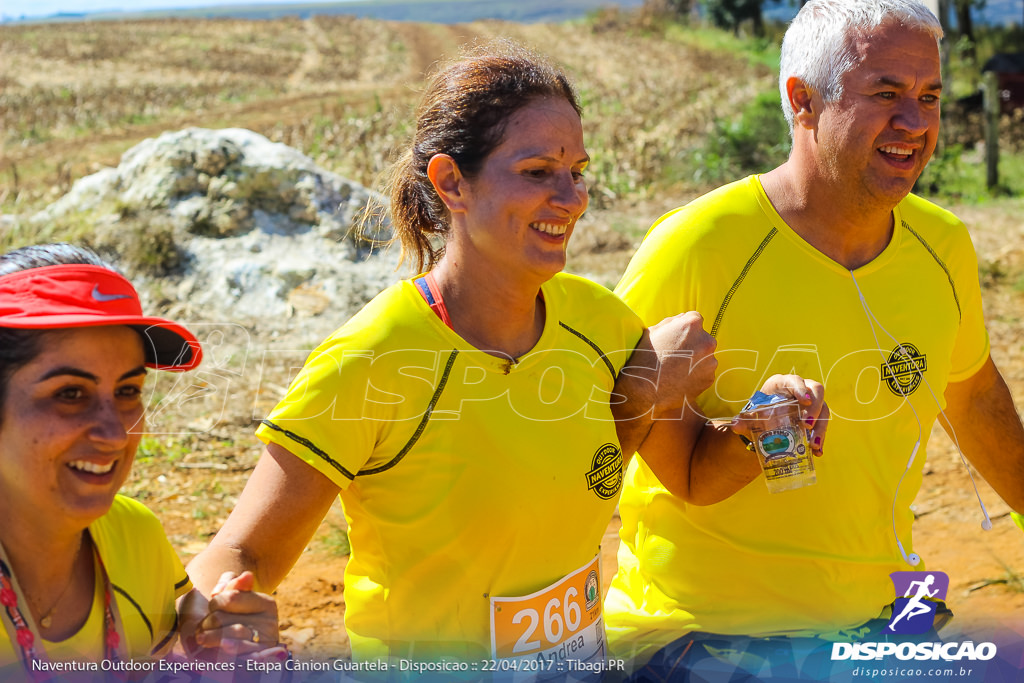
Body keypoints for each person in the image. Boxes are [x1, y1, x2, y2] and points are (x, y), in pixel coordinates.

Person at [186, 40, 826, 669]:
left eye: (576, 171)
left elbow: (691, 475)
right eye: (537, 172)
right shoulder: (371, 361)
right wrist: (209, 615)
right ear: (451, 182)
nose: (571, 198)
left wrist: (757, 428)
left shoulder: (602, 323)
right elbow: (242, 556)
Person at [604, 0, 1024, 679]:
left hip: (887, 608)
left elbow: (971, 395)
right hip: (707, 630)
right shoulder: (697, 246)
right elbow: (631, 440)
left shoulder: (944, 244)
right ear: (803, 100)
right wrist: (753, 431)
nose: (914, 123)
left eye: (930, 97)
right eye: (886, 94)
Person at [0, 243, 279, 678]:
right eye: (70, 394)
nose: (115, 434)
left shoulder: (134, 535)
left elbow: (176, 630)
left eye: (128, 391)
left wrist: (217, 641)